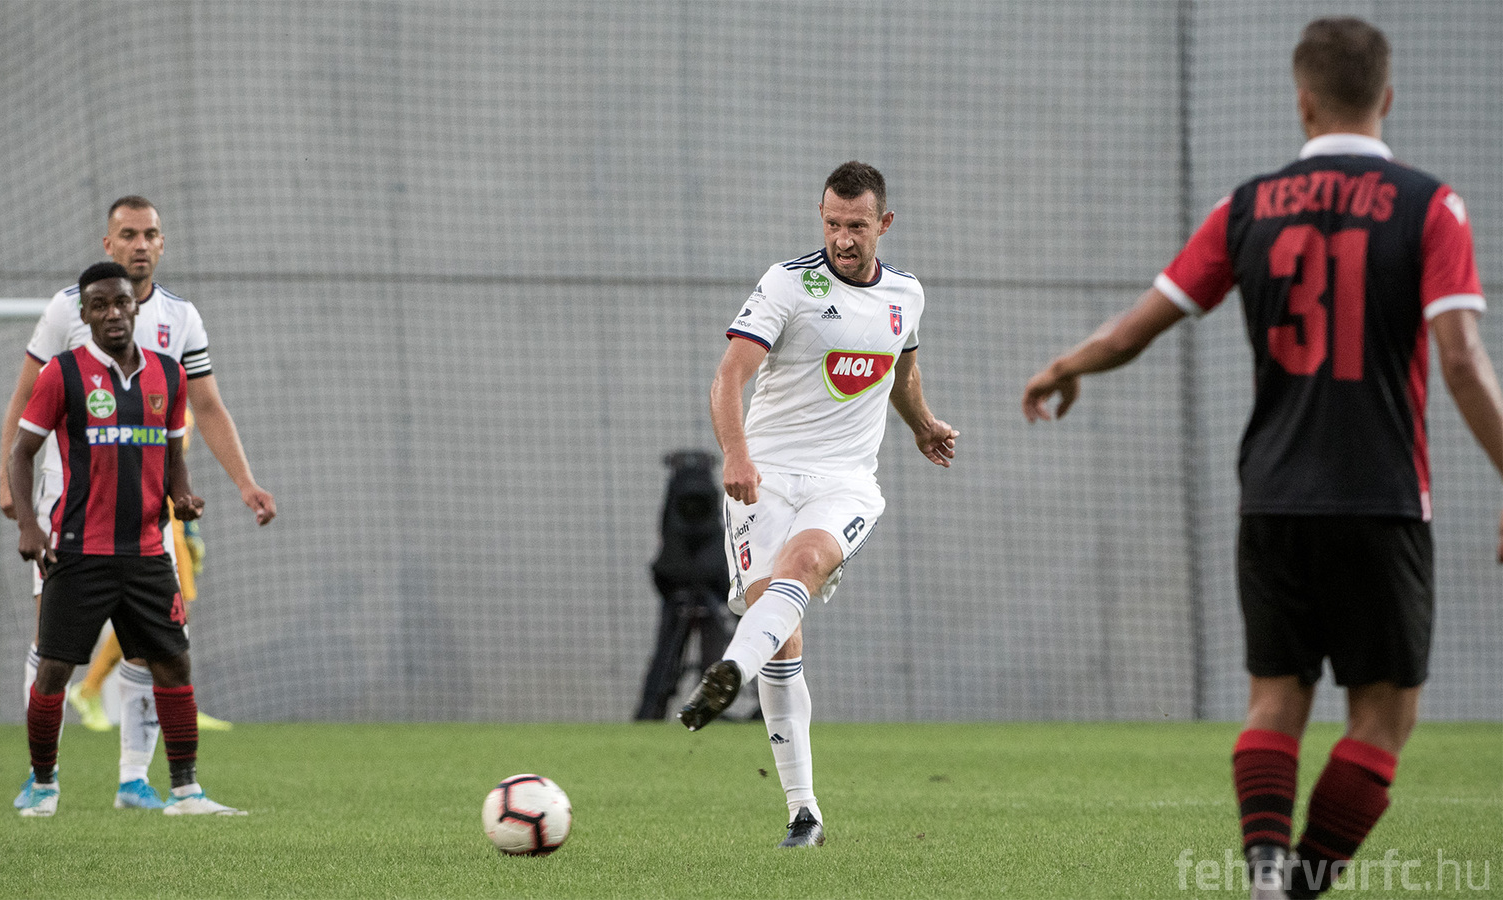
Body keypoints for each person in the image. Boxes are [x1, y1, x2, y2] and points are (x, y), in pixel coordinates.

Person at [1021, 18, 1503, 900]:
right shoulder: (1432, 206)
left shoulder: (1246, 207)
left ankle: (1267, 879)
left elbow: (1135, 330)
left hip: (1273, 498)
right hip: (1383, 498)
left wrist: (1066, 364)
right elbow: (1463, 360)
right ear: (1388, 98)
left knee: (1275, 703)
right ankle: (1302, 888)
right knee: (1383, 718)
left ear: (1303, 101)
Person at [680, 161, 959, 848]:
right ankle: (804, 812)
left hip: (845, 481)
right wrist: (736, 455)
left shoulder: (906, 294)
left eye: (856, 226)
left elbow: (902, 369)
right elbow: (728, 378)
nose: (842, 238)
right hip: (765, 475)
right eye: (832, 223)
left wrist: (923, 423)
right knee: (782, 632)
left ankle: (730, 669)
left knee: (803, 566)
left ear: (883, 223)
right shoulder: (789, 284)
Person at [0, 196, 275, 810]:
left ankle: (144, 781)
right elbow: (24, 408)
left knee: (163, 655)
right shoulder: (65, 325)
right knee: (53, 655)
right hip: (69, 519)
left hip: (148, 525)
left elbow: (199, 414)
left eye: (150, 233)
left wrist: (233, 484)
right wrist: (11, 492)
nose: (140, 243)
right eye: (128, 233)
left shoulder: (177, 333)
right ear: (108, 243)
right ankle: (41, 779)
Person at [65, 408, 234, 735]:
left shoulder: (179, 401)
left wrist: (190, 531)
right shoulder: (139, 400)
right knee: (160, 612)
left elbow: (174, 467)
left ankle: (167, 700)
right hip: (146, 517)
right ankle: (94, 689)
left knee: (175, 612)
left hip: (170, 517)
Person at [634, 451, 736, 721]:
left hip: (686, 590)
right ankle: (709, 711)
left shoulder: (674, 518)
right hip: (705, 588)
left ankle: (653, 714)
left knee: (689, 659)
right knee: (694, 657)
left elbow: (663, 571)